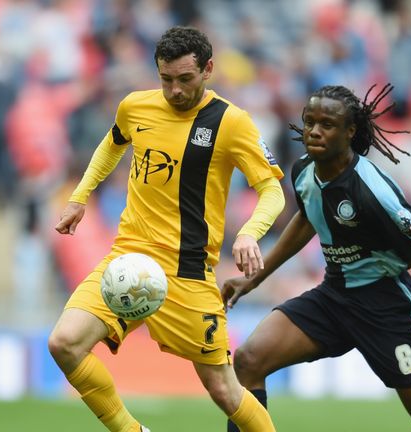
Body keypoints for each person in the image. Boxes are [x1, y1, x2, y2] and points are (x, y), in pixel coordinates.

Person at [223, 84, 411, 432]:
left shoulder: (373, 192)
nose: (314, 131)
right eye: (309, 122)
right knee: (249, 360)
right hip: (334, 296)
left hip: (386, 306)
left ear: (350, 131)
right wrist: (253, 279)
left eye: (327, 124)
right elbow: (307, 219)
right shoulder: (304, 170)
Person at [49, 26, 283, 432]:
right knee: (64, 343)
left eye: (185, 79)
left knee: (224, 390)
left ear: (208, 69)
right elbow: (112, 143)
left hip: (187, 272)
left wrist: (249, 232)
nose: (175, 90)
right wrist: (80, 196)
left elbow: (271, 190)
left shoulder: (232, 122)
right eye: (166, 79)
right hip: (129, 260)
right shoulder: (135, 106)